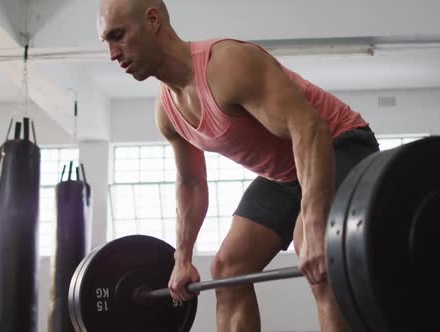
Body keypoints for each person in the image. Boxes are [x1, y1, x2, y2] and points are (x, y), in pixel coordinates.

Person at [98, 0, 379, 330]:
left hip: (339, 142)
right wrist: (182, 258)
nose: (113, 54)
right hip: (286, 172)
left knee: (315, 250)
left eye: (118, 36)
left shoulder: (226, 65)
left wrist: (317, 228)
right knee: (228, 268)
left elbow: (309, 128)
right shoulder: (167, 112)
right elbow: (191, 183)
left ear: (153, 20)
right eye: (107, 42)